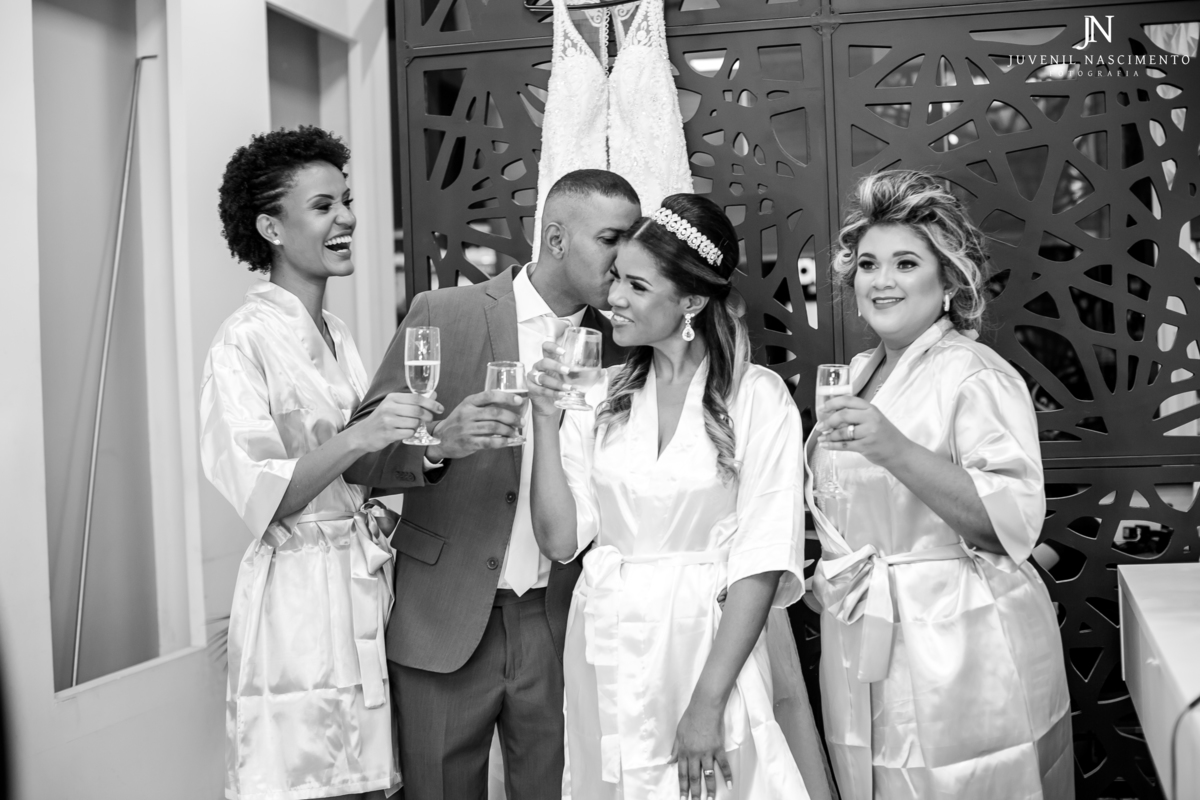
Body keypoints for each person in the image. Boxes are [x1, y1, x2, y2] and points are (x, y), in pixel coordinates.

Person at [341, 170, 641, 800]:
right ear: (555, 239)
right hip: (443, 616)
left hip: (562, 621)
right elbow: (359, 459)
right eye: (610, 238)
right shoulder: (444, 314)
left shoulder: (626, 348)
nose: (625, 256)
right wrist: (438, 445)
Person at [526, 194, 833, 800]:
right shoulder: (599, 395)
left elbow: (761, 561)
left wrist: (707, 704)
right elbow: (560, 541)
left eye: (637, 286)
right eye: (616, 277)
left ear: (691, 301)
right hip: (607, 640)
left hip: (704, 644)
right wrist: (543, 420)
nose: (614, 297)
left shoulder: (756, 398)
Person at [809, 170, 1074, 799]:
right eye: (868, 264)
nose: (882, 280)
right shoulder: (857, 375)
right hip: (862, 628)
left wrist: (897, 450)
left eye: (906, 263)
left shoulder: (976, 374)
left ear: (949, 281)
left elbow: (1009, 525)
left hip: (958, 638)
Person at [201, 127, 440, 800]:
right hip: (298, 600)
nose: (347, 219)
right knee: (310, 780)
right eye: (323, 205)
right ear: (271, 228)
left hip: (360, 581)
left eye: (347, 201)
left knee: (372, 782)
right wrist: (361, 437)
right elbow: (264, 496)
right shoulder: (240, 344)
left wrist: (438, 444)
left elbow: (363, 472)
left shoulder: (337, 334)